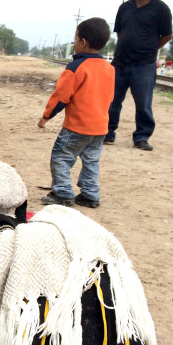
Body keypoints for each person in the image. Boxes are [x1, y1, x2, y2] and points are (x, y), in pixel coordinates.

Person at [39, 18, 114, 209]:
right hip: (100, 127)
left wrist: (46, 116)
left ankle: (63, 192)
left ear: (83, 42)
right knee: (91, 160)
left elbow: (61, 97)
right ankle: (90, 195)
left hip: (77, 126)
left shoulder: (75, 68)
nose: (74, 43)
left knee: (61, 156)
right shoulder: (109, 68)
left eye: (75, 38)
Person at [105, 0, 173, 151]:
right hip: (120, 62)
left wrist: (149, 48)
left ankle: (142, 137)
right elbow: (120, 32)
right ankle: (107, 133)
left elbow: (167, 35)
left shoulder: (161, 10)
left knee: (143, 103)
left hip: (144, 64)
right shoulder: (125, 8)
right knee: (112, 100)